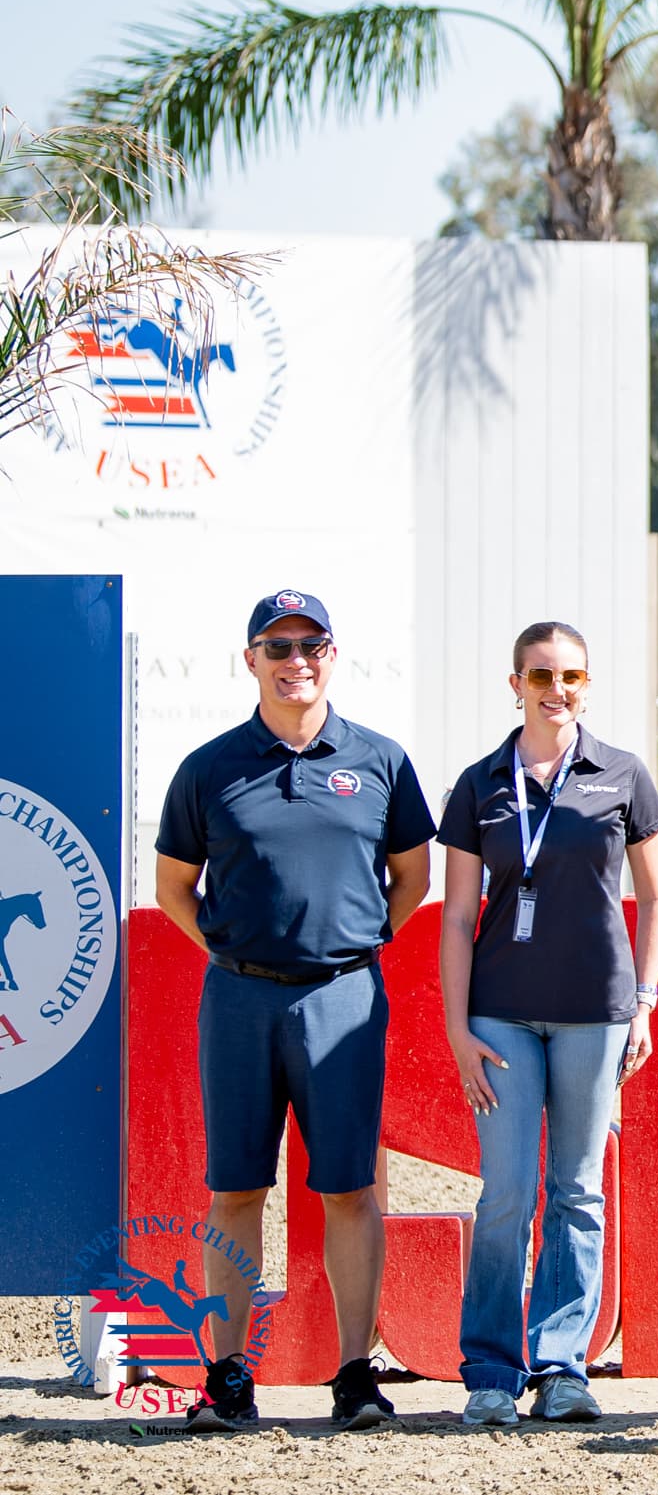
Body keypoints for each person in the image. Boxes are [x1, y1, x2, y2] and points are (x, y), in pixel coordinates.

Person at [153, 589, 435, 1433]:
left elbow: (413, 878)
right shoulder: (208, 767)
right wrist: (231, 951)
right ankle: (227, 1376)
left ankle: (354, 1374)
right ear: (250, 660)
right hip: (239, 998)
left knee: (349, 1187)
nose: (295, 659)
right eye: (276, 646)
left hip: (343, 997)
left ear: (333, 655)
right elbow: (174, 887)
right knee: (235, 1188)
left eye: (310, 643)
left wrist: (350, 948)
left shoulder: (380, 760)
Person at [437, 622, 658, 1426]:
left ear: (587, 684)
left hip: (596, 1013)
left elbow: (656, 898)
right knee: (506, 1191)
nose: (556, 688)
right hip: (499, 1013)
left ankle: (562, 1367)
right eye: (540, 675)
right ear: (516, 685)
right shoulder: (478, 784)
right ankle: (490, 1371)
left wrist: (645, 999)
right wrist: (457, 1028)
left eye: (571, 675)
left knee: (577, 1189)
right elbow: (457, 915)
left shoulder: (624, 774)